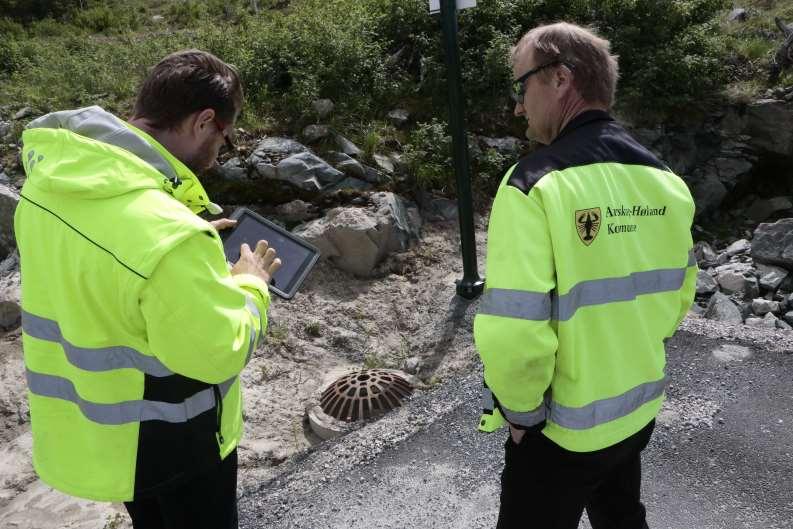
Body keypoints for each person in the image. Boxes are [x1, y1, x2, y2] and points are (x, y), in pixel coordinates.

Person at [14, 49, 280, 529]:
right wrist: (250, 285)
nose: (221, 152)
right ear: (204, 121)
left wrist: (186, 259)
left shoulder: (48, 184)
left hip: (105, 438)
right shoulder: (168, 236)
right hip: (174, 437)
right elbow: (220, 351)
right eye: (225, 136)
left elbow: (105, 270)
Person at [473, 23, 697, 529]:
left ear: (559, 78)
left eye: (520, 85)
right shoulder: (668, 182)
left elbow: (514, 333)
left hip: (559, 435)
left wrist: (521, 415)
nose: (517, 106)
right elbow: (677, 300)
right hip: (636, 414)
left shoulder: (533, 184)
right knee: (622, 518)